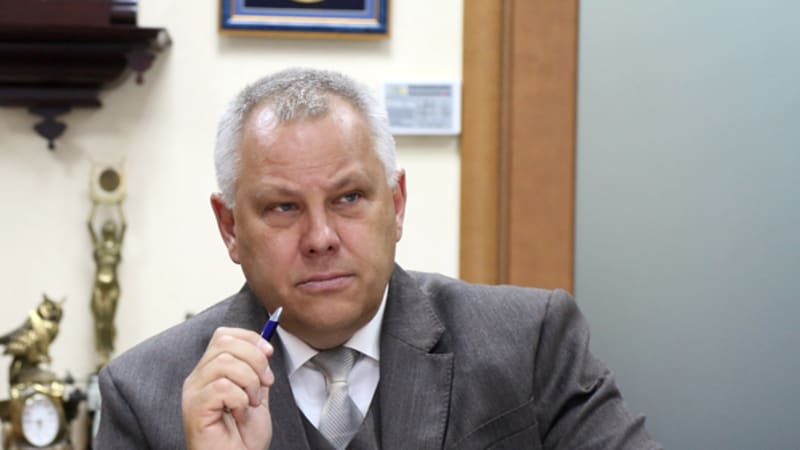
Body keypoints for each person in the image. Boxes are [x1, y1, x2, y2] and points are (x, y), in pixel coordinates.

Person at [95, 68, 661, 449]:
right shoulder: (146, 394)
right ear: (230, 228)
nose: (321, 238)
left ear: (396, 204)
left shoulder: (529, 341)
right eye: (283, 208)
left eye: (348, 198)